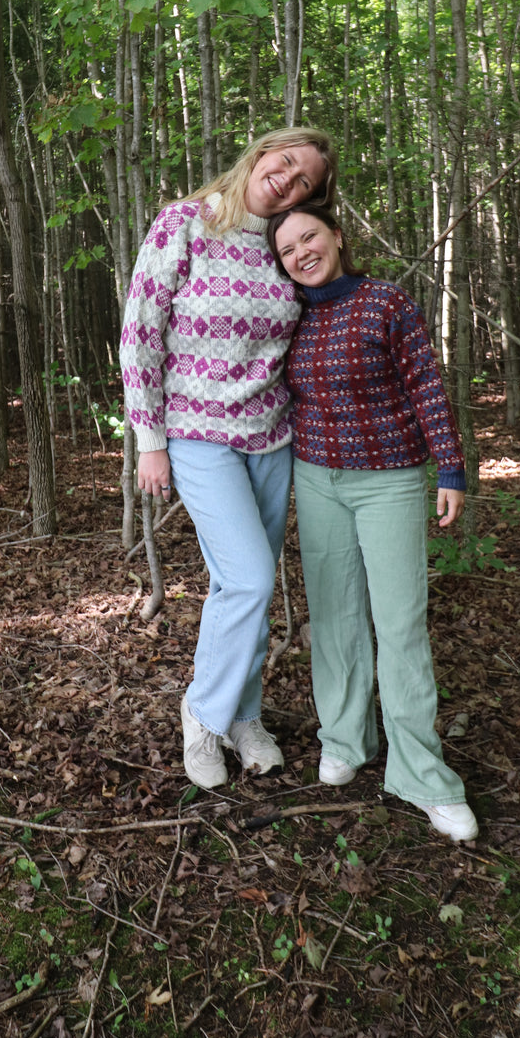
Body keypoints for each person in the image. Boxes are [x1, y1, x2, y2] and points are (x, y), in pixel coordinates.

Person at [120, 128, 339, 790]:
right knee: (249, 578)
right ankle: (203, 713)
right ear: (264, 151)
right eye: (288, 164)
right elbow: (140, 331)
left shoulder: (284, 243)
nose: (290, 181)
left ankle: (245, 716)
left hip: (273, 437)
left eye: (306, 182)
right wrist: (149, 441)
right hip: (198, 434)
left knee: (242, 587)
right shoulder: (185, 223)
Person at [268, 204, 478, 841]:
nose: (302, 252)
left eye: (310, 237)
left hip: (389, 479)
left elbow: (425, 384)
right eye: (288, 249)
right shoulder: (290, 316)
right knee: (333, 618)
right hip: (316, 479)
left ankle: (420, 772)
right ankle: (344, 738)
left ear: (336, 237)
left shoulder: (386, 301)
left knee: (400, 623)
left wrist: (450, 467)